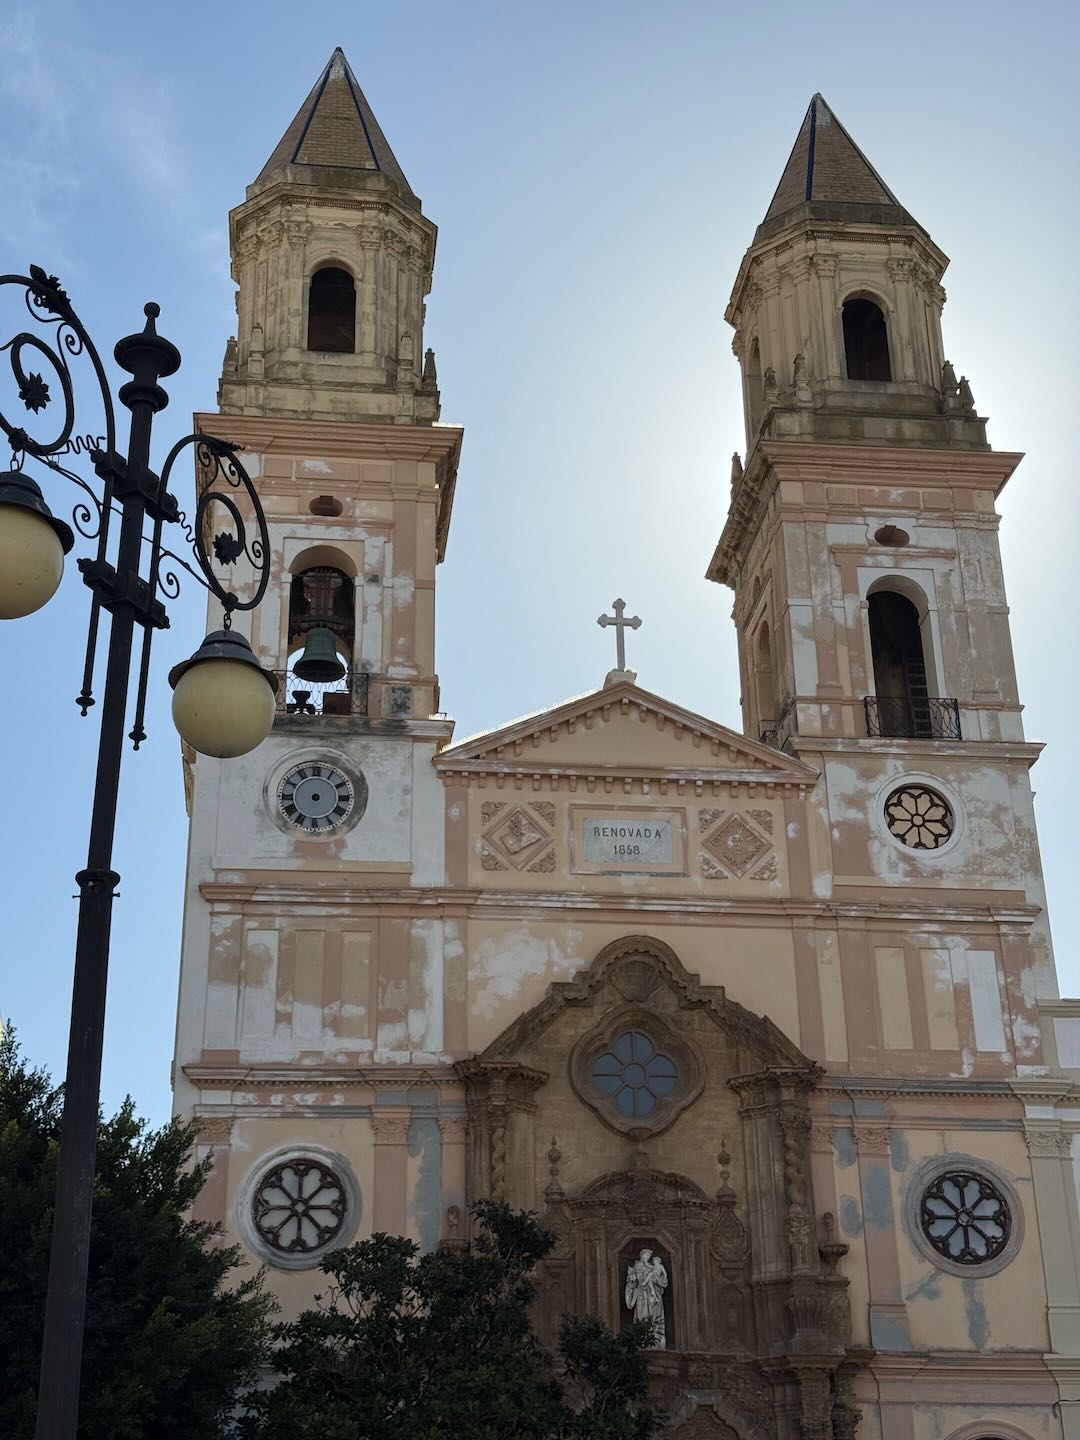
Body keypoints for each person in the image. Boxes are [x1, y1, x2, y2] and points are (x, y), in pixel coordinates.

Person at [624, 1246, 668, 1348]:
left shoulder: (653, 1267)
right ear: (642, 1255)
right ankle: (643, 1343)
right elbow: (631, 1283)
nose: (648, 1257)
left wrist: (655, 1278)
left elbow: (663, 1281)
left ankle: (656, 1343)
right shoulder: (636, 1267)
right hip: (641, 1296)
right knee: (642, 1317)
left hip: (654, 1297)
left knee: (655, 1318)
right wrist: (632, 1279)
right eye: (646, 1255)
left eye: (649, 1255)